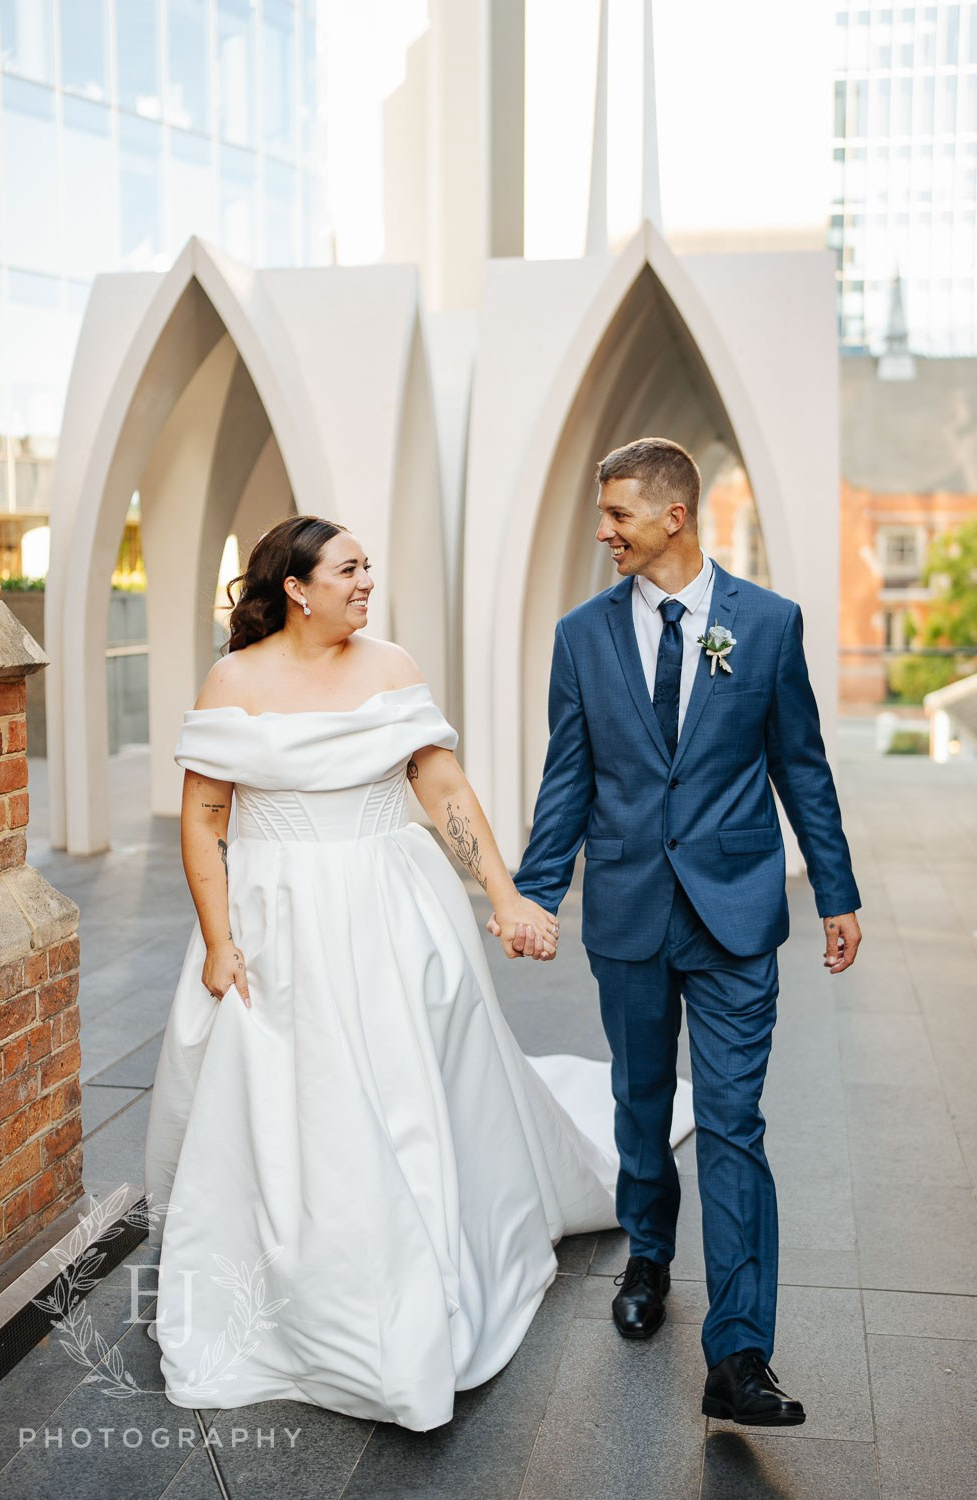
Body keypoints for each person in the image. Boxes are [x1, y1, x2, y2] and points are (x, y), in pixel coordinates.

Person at [143, 515, 694, 1432]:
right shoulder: (233, 680)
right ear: (297, 588)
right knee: (289, 1097)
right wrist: (219, 939)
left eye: (368, 567)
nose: (367, 582)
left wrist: (506, 897)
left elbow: (443, 790)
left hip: (390, 907)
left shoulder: (391, 665)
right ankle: (292, 1294)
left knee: (405, 1088)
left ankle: (420, 1277)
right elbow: (204, 819)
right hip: (275, 916)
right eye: (348, 570)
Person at [496, 437, 862, 1427]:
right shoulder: (581, 636)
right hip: (627, 909)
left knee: (735, 1122)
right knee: (642, 1098)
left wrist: (836, 891)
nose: (603, 532)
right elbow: (567, 777)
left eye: (617, 514)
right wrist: (536, 893)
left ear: (673, 515)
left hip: (736, 911)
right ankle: (649, 1254)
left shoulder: (767, 624)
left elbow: (801, 766)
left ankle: (738, 1354)